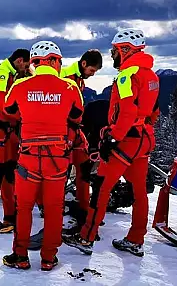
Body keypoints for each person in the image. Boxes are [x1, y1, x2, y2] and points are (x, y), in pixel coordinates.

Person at [72, 28, 160, 257]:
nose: (112, 56)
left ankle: (86, 237)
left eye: (114, 51)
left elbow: (127, 112)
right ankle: (136, 239)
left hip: (126, 140)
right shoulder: (152, 75)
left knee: (101, 188)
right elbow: (154, 111)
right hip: (143, 138)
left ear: (126, 50)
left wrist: (112, 139)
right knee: (139, 191)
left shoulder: (126, 76)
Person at [1, 41, 84, 271]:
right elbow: (77, 116)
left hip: (28, 156)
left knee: (24, 208)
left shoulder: (21, 85)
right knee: (54, 208)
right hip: (57, 158)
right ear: (56, 61)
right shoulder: (70, 87)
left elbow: (8, 110)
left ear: (35, 62)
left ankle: (20, 256)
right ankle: (48, 258)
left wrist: (30, 111)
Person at [0, 49, 31, 234]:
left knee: (10, 172)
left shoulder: (12, 74)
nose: (27, 69)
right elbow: (4, 105)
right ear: (19, 61)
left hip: (7, 131)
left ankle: (10, 216)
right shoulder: (1, 74)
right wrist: (26, 116)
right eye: (26, 65)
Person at [59, 50, 103, 234]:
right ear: (84, 64)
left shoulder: (78, 78)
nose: (93, 74)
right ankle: (56, 208)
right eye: (92, 70)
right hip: (64, 131)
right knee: (63, 170)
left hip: (75, 130)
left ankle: (84, 210)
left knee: (83, 169)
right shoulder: (67, 76)